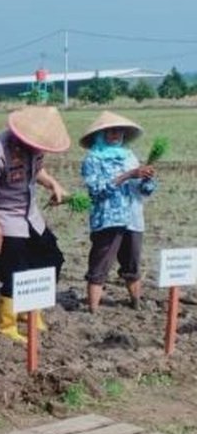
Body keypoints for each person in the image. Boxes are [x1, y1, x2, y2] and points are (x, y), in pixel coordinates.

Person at [0, 106, 71, 342]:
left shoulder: (34, 149)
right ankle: (7, 325)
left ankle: (29, 311)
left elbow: (37, 171)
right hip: (6, 219)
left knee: (52, 259)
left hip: (31, 217)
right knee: (14, 272)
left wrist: (52, 184)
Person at [79, 111, 157, 312]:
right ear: (101, 134)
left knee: (132, 265)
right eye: (111, 130)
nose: (115, 134)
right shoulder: (93, 159)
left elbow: (143, 191)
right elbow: (96, 191)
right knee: (99, 266)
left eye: (119, 130)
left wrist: (146, 180)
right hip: (107, 219)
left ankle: (136, 303)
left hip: (133, 218)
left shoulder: (129, 156)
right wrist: (129, 174)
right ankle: (93, 310)